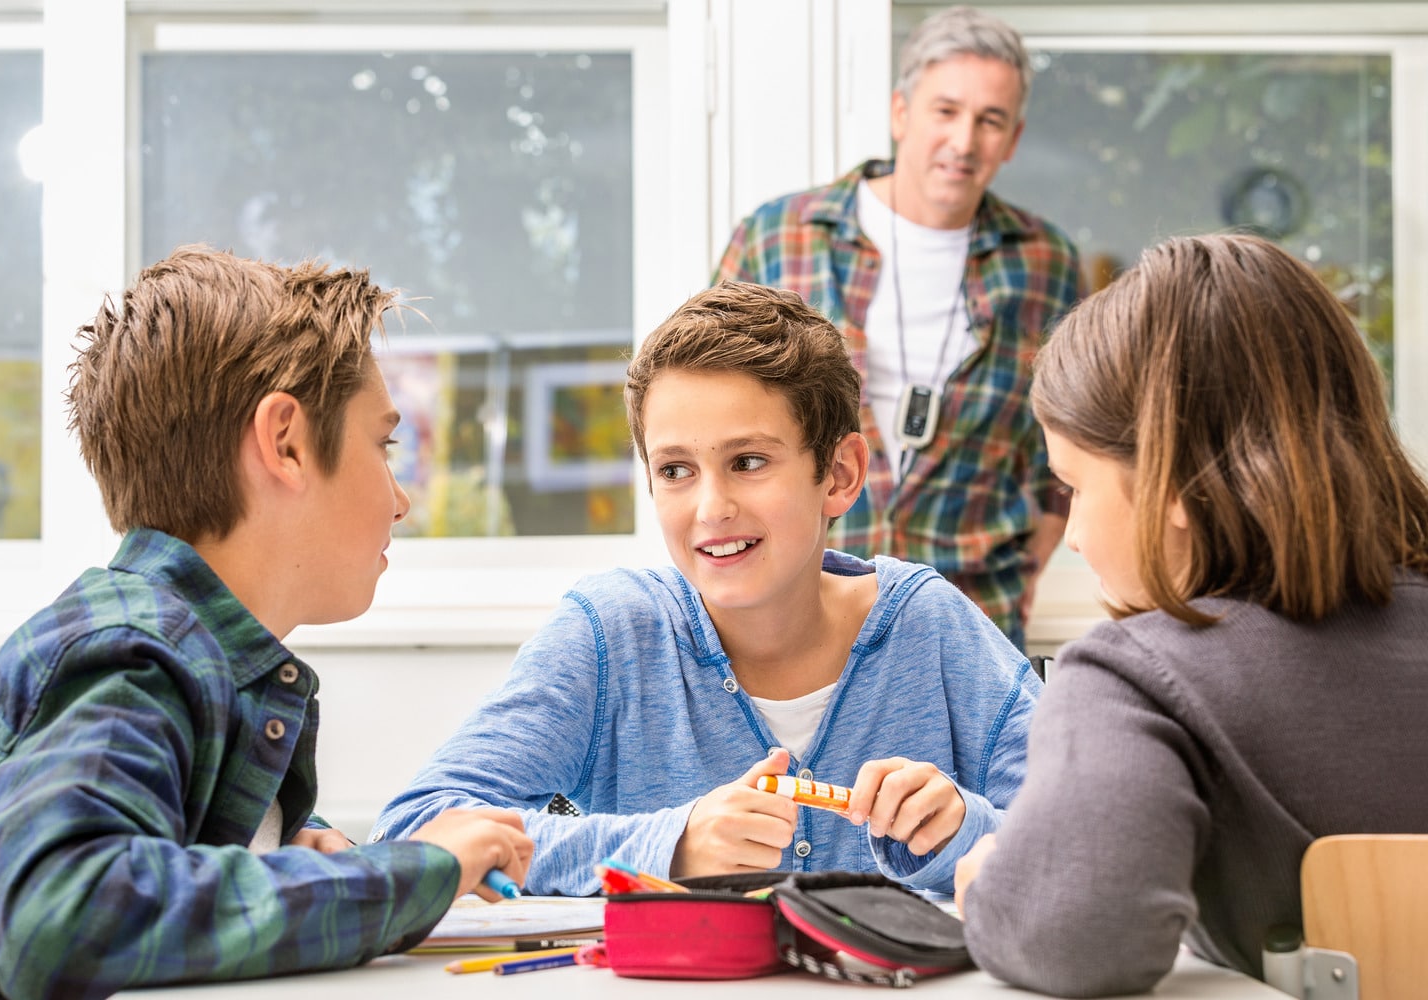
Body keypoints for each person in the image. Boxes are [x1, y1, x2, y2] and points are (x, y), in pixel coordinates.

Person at [0, 247, 533, 998]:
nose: (399, 499)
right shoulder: (133, 653)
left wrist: (273, 854)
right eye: (383, 444)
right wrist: (407, 871)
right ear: (287, 443)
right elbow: (62, 916)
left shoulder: (180, 653)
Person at [371, 281, 1039, 896]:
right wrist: (674, 844)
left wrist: (962, 831)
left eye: (748, 462)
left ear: (838, 473)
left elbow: (1093, 844)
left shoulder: (933, 628)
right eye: (676, 469)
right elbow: (415, 835)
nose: (710, 507)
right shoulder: (613, 633)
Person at [952, 233, 1428, 995]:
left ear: (1171, 486)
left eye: (1073, 489)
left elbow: (1078, 940)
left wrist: (999, 889)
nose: (1071, 536)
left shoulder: (1136, 673)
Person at [713, 5, 1082, 649]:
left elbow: (1073, 434)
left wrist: (1029, 566)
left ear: (1012, 138)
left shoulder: (1043, 261)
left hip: (974, 618)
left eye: (989, 120)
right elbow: (709, 410)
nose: (964, 141)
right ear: (901, 112)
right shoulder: (780, 236)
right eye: (946, 111)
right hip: (801, 610)